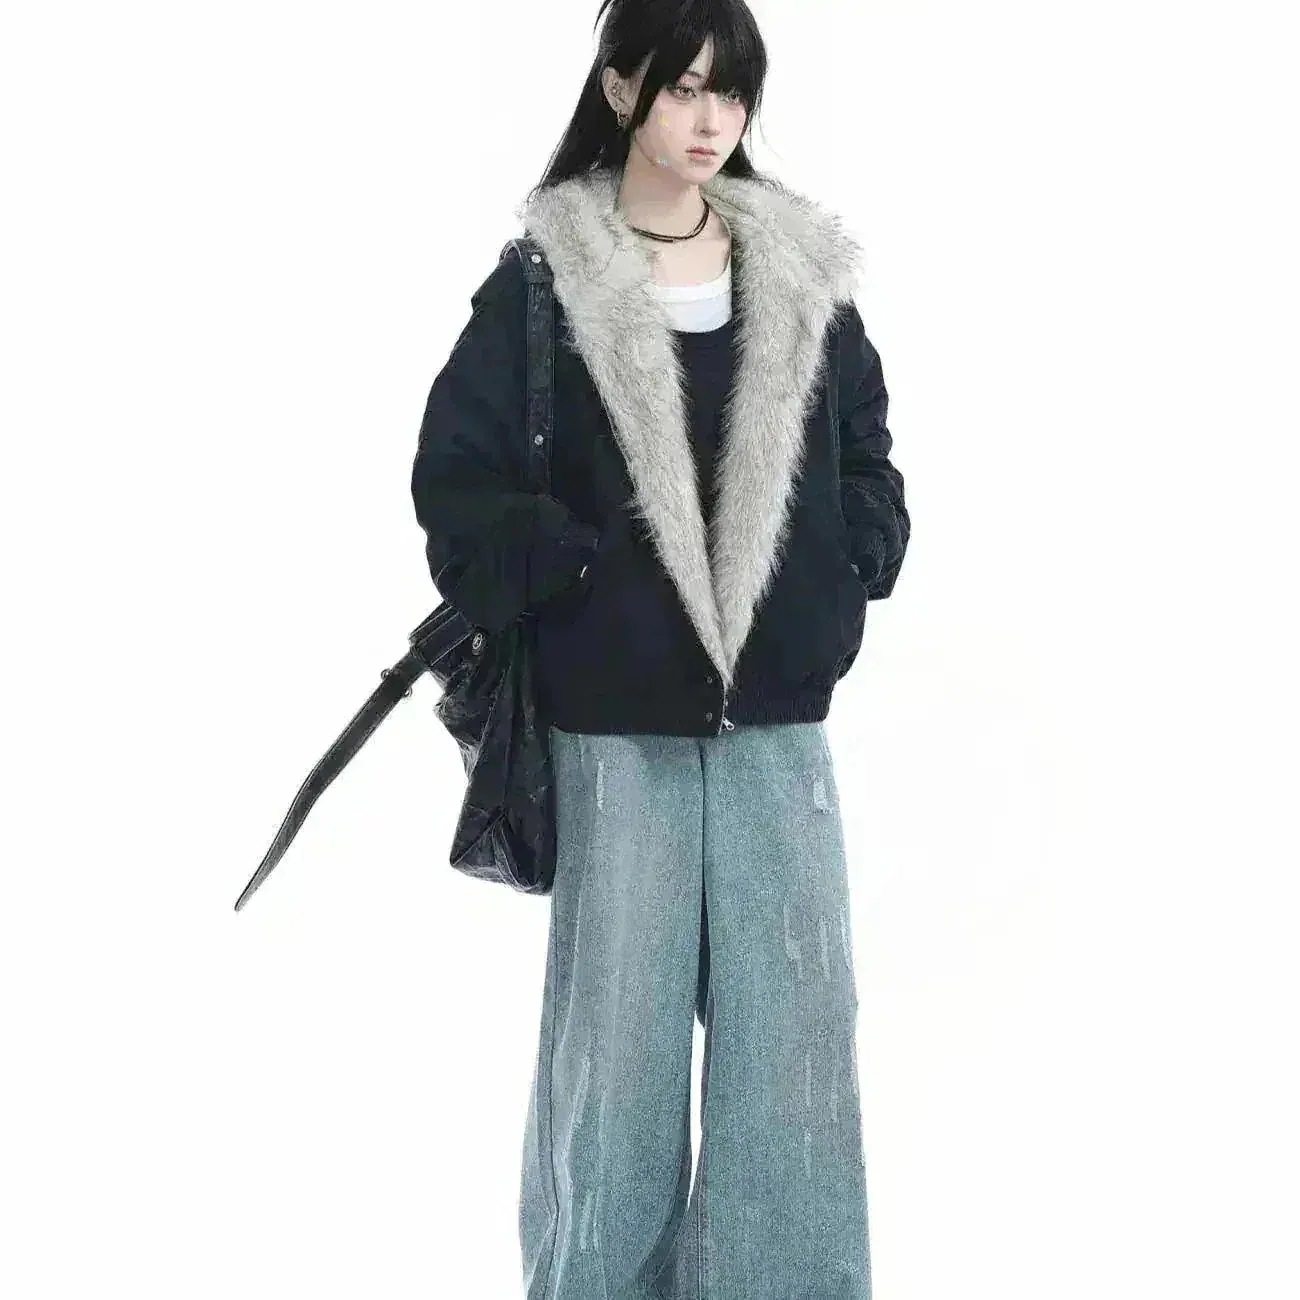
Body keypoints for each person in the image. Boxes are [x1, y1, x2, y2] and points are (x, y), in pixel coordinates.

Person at [410, 2, 910, 1295]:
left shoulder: (797, 274)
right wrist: (572, 573)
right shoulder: (546, 282)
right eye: (683, 87)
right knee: (613, 1065)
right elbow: (455, 481)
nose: (710, 120)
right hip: (613, 729)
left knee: (795, 1056)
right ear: (622, 86)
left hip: (776, 724)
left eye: (730, 93)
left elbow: (867, 451)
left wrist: (850, 567)